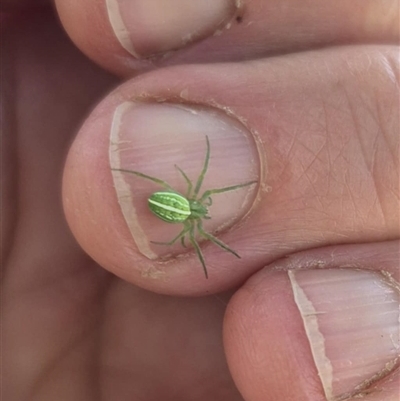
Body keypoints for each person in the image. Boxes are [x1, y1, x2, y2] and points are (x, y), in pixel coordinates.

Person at [3, 1, 399, 400]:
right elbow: (206, 202)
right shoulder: (195, 213)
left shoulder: (194, 212)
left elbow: (205, 222)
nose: (206, 204)